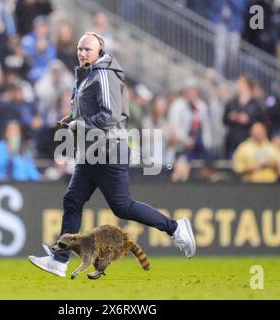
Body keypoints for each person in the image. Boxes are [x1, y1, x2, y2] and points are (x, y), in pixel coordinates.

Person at [28, 32, 196, 277]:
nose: (82, 52)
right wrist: (72, 119)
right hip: (91, 151)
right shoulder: (87, 74)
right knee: (73, 200)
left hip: (108, 150)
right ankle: (60, 259)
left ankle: (175, 228)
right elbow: (89, 111)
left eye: (88, 49)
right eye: (80, 48)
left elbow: (110, 116)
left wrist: (80, 125)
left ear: (100, 51)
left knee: (122, 207)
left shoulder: (104, 73)